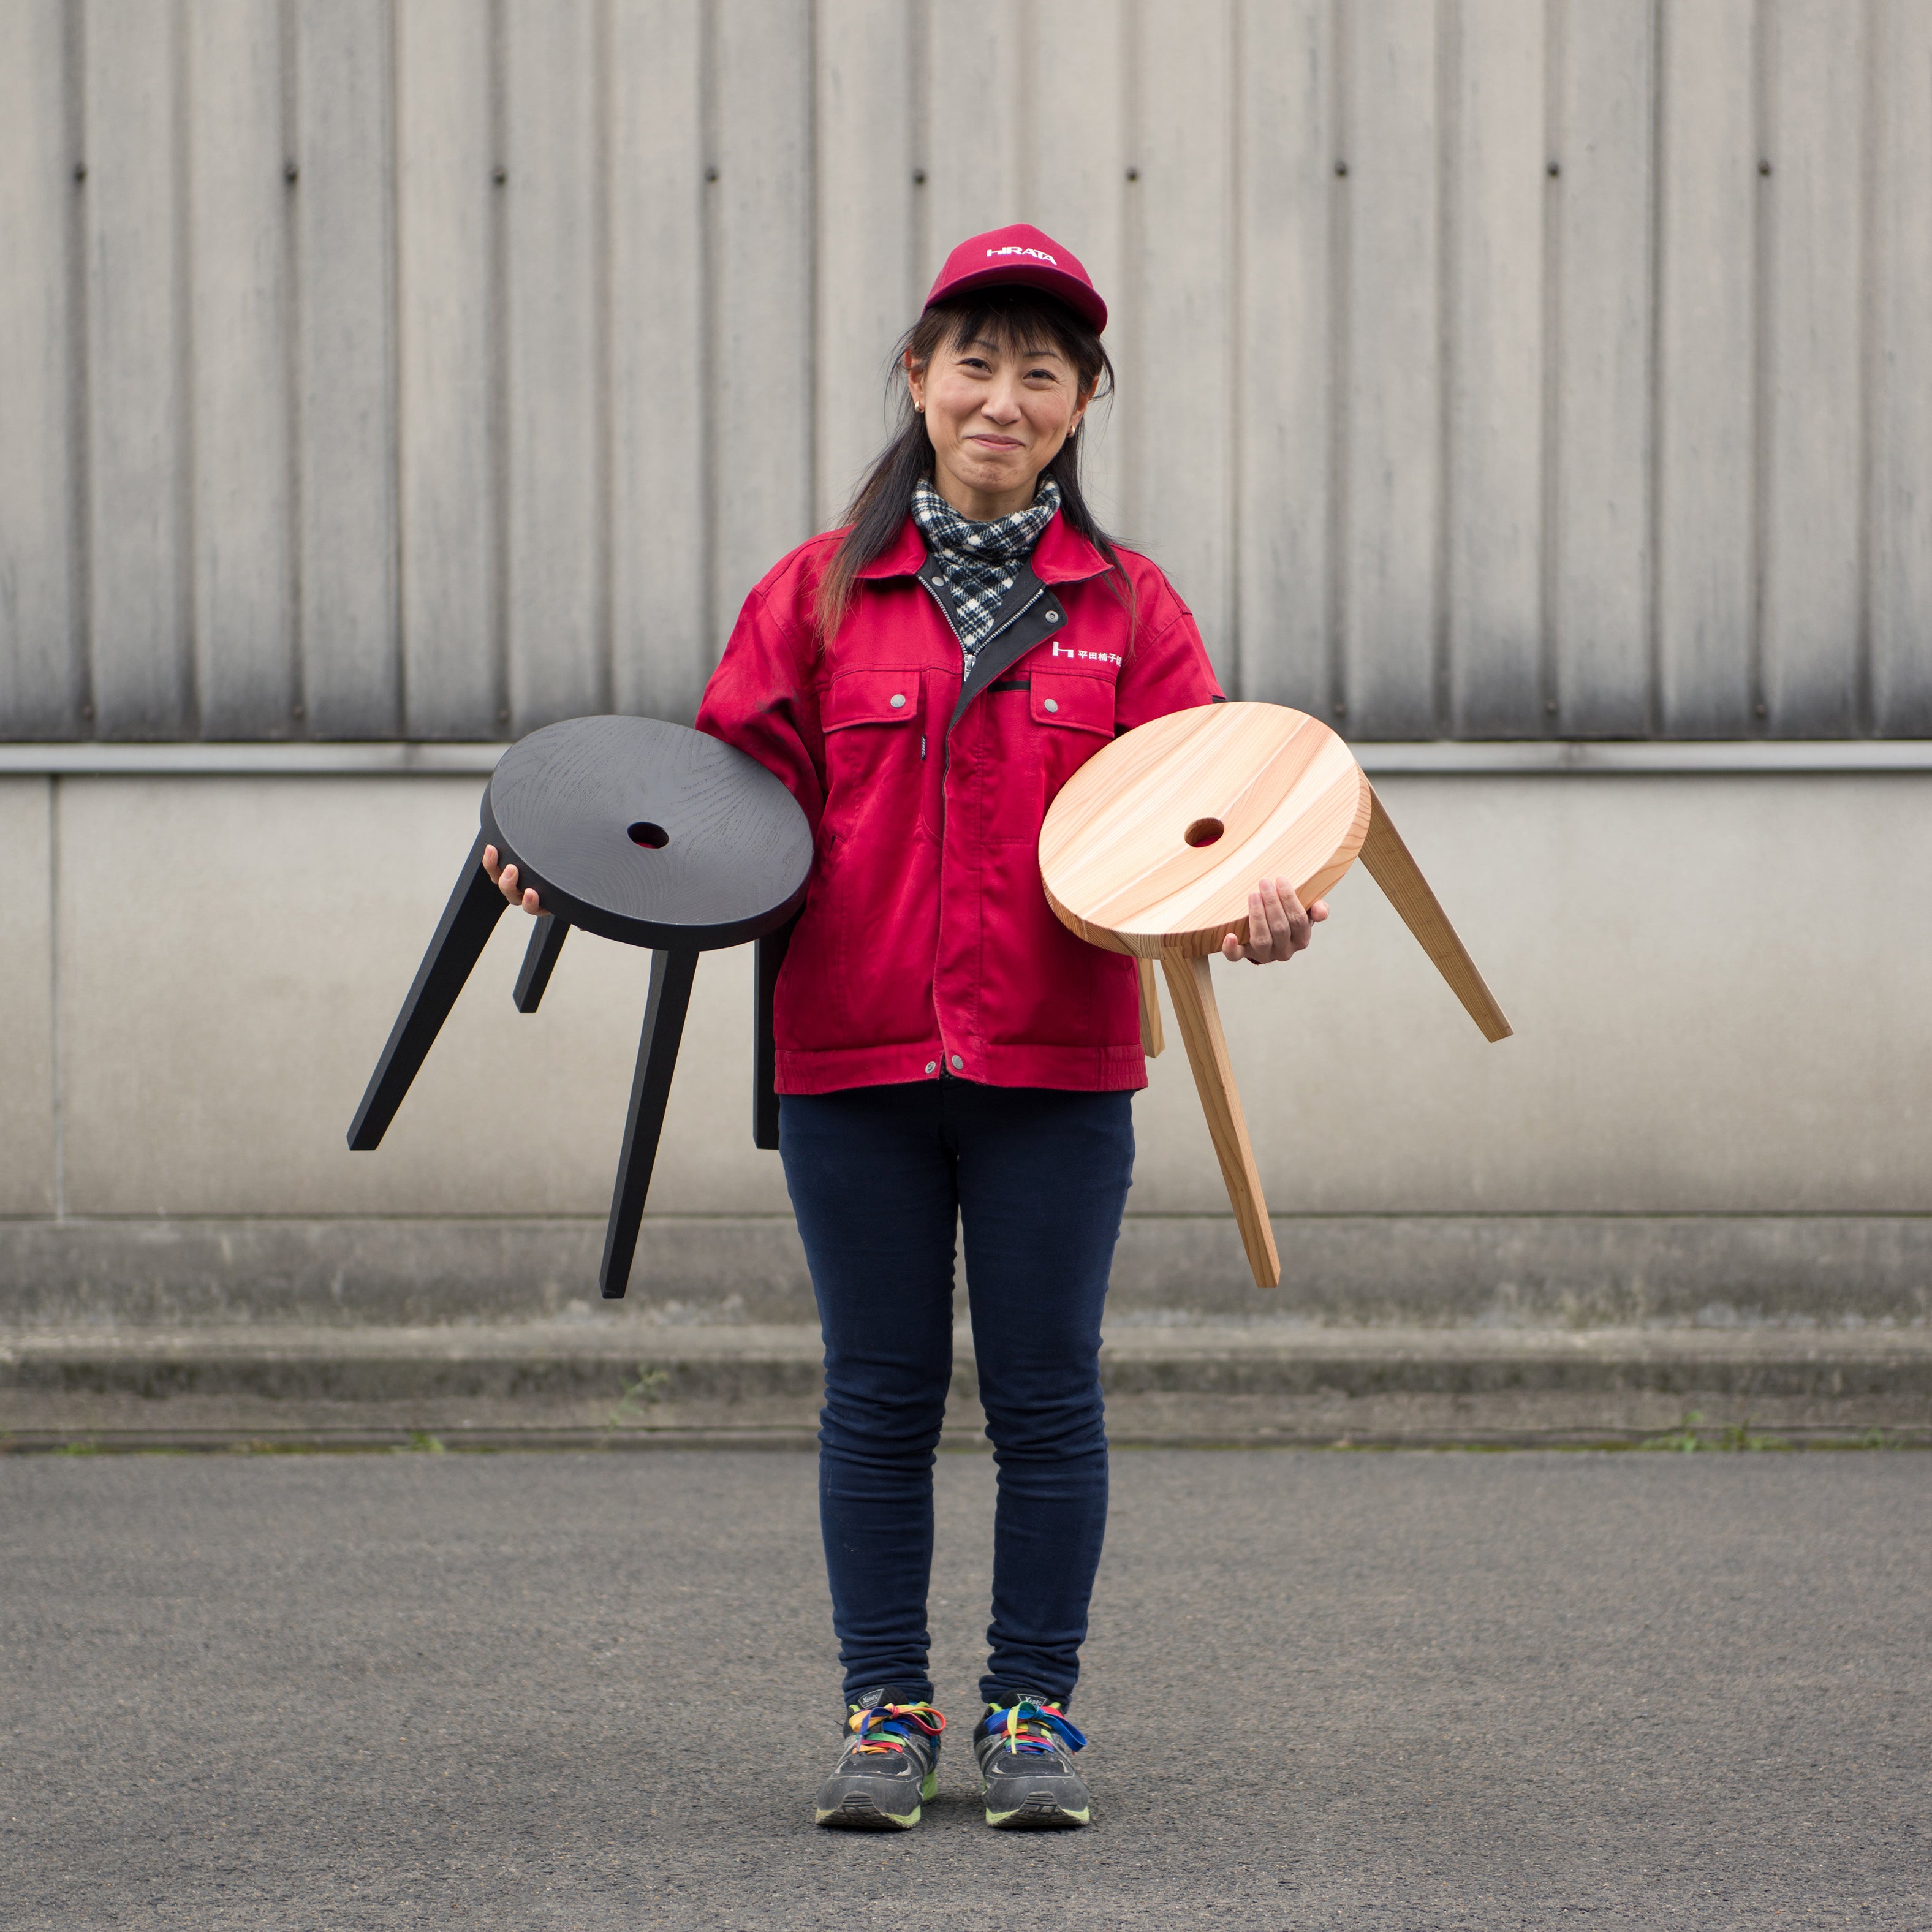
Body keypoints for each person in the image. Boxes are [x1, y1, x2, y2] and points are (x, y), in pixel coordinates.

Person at [485, 224, 1326, 1831]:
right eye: (972, 361)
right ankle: (886, 1713)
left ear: (1081, 402)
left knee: (1043, 1395)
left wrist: (1253, 910)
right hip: (854, 1057)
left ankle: (1032, 1713)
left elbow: (1201, 829)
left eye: (1039, 370)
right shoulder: (809, 596)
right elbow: (710, 815)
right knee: (876, 1395)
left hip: (1056, 1064)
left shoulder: (1131, 612)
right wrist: (567, 863)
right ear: (916, 377)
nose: (999, 396)